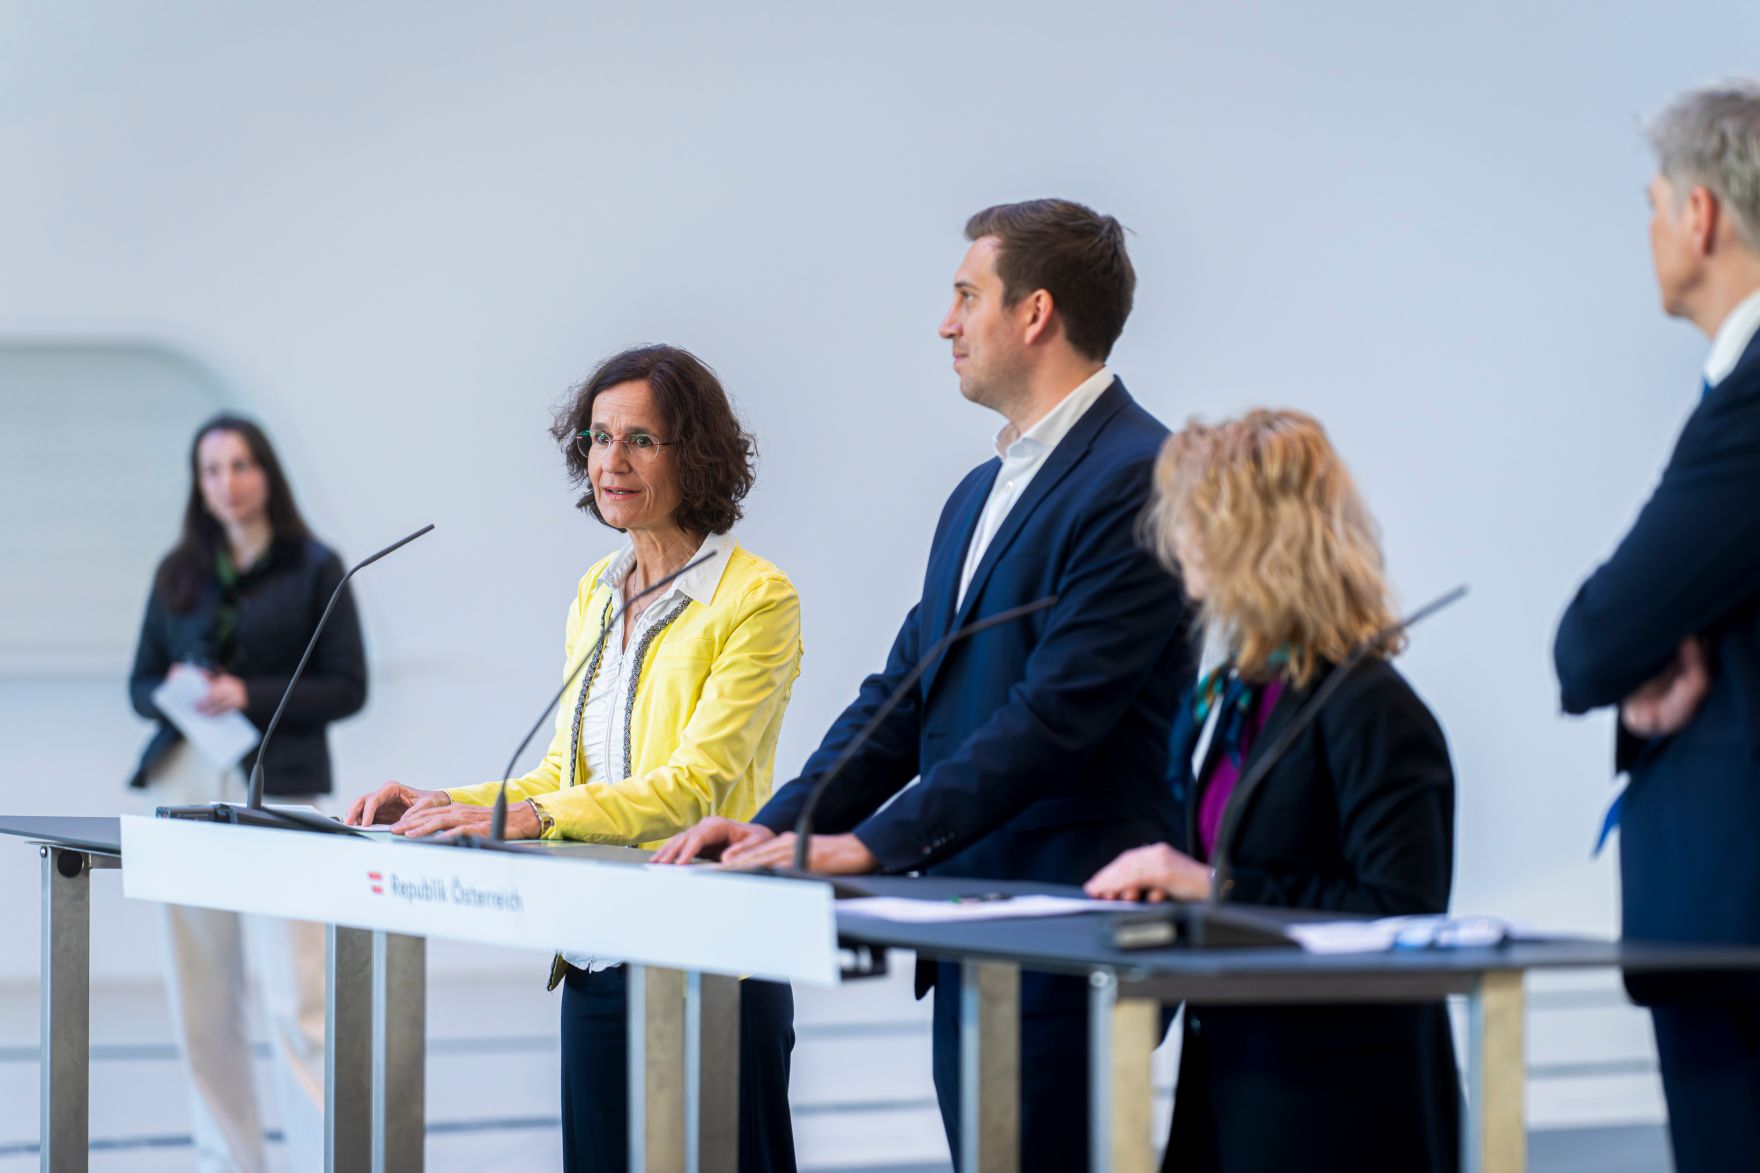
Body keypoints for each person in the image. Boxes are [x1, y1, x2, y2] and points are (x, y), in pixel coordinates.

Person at [656, 199, 1197, 1172]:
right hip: (971, 923)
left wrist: (867, 846)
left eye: (964, 296)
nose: (944, 322)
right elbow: (906, 690)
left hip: (1063, 923)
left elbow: (1054, 716)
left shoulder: (1139, 476)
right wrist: (782, 826)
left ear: (1033, 314)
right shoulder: (977, 491)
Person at [345, 344, 803, 1173]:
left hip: (711, 958)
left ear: (693, 455)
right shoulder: (597, 590)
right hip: (598, 952)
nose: (608, 463)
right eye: (596, 438)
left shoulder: (755, 598)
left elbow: (692, 787)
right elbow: (564, 778)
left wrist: (527, 817)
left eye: (638, 441)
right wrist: (444, 800)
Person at [1086, 409, 1461, 1173]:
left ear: (1248, 535)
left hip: (1334, 1110)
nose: (1173, 535)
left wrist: (1210, 885)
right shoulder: (1240, 695)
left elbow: (1399, 916)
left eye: (1191, 515)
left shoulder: (1373, 708)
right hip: (1229, 1085)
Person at [1553, 79, 1760, 1173]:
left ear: (1699, 217)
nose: (1646, 231)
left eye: (1649, 204)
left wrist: (1632, 665)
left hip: (1735, 932)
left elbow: (1589, 640)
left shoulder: (1750, 400)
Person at [128, 414, 366, 1173]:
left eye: (240, 465)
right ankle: (225, 1161)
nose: (226, 482)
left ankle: (319, 1158)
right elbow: (137, 682)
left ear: (267, 473)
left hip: (279, 785)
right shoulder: (178, 571)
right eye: (211, 470)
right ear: (198, 484)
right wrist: (175, 687)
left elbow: (347, 684)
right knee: (202, 1004)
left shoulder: (315, 566)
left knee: (296, 999)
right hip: (184, 782)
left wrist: (247, 693)